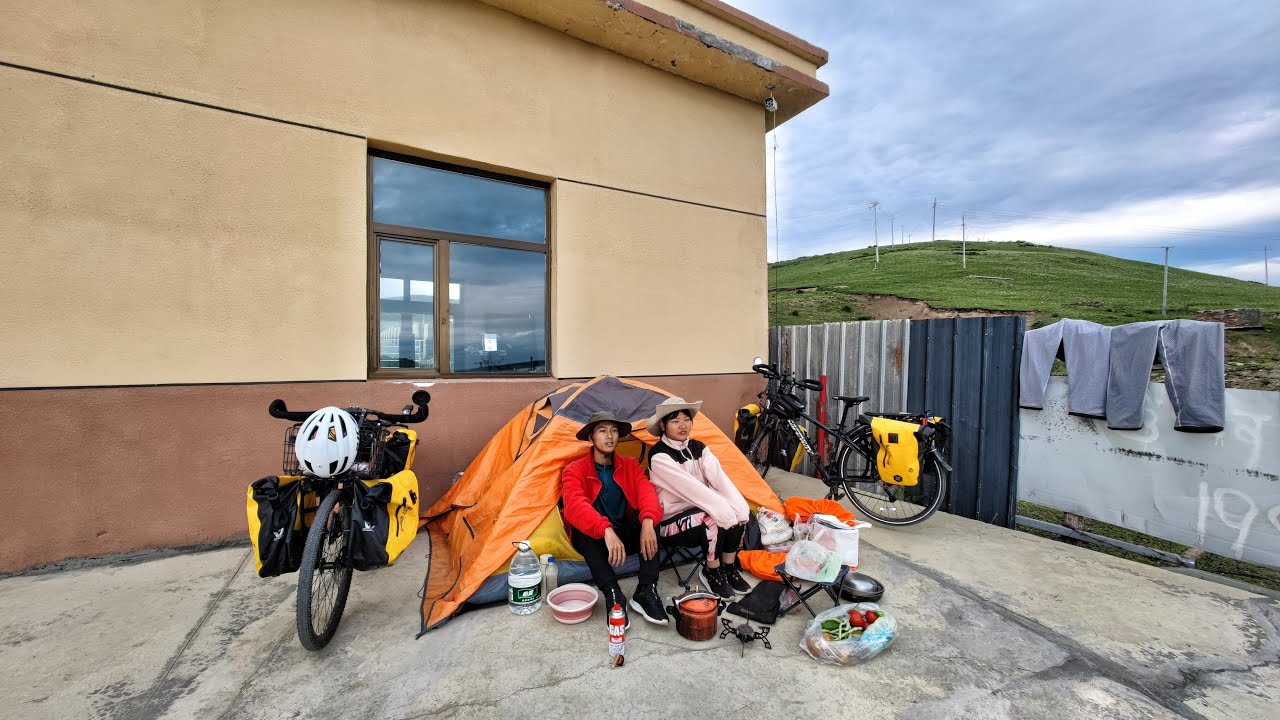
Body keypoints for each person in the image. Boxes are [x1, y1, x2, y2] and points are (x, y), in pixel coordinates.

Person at [561, 411, 668, 627]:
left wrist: (648, 522)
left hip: (624, 535)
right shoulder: (574, 470)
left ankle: (646, 590)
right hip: (598, 540)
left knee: (649, 517)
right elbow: (575, 506)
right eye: (602, 431)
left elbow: (647, 492)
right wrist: (605, 530)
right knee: (581, 530)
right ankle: (613, 593)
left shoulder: (629, 465)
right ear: (591, 437)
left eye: (614, 430)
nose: (609, 436)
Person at [645, 397, 753, 599]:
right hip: (671, 521)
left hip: (702, 507)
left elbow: (720, 480)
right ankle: (711, 570)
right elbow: (692, 489)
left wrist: (738, 508)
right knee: (713, 516)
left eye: (687, 420)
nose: (682, 425)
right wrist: (722, 510)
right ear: (663, 425)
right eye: (675, 421)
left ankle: (728, 567)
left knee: (738, 509)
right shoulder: (658, 455)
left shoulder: (699, 448)